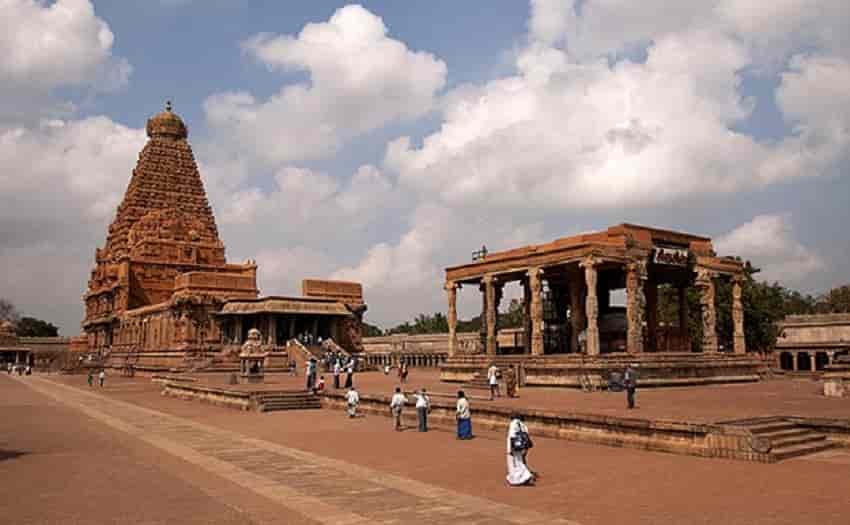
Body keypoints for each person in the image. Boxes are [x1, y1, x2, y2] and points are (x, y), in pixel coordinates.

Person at [506, 414, 535, 486]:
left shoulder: (513, 423)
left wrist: (511, 448)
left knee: (515, 463)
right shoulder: (523, 425)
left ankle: (520, 478)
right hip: (523, 446)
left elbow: (512, 435)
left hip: (515, 446)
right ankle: (522, 476)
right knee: (520, 461)